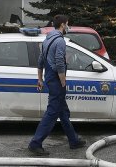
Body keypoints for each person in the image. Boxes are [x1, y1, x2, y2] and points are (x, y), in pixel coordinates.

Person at [28, 14, 86, 156]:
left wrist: (40, 79)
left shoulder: (47, 39)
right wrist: (63, 81)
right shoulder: (60, 41)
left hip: (49, 78)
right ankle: (35, 143)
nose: (68, 26)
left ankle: (73, 140)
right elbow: (60, 62)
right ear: (62, 25)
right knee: (52, 112)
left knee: (62, 111)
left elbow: (41, 60)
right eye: (67, 24)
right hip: (56, 80)